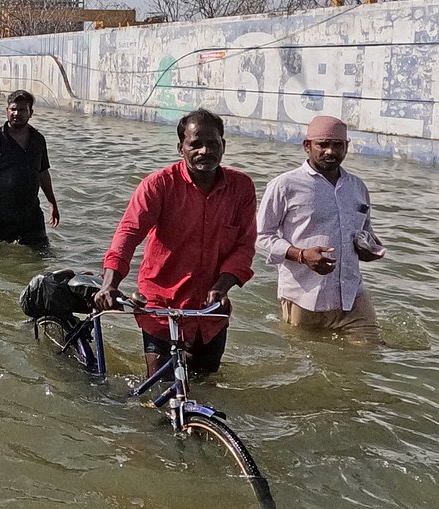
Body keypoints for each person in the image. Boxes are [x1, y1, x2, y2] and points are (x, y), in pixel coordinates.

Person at [93, 109, 256, 376]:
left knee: (207, 387)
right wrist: (110, 285)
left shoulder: (242, 187)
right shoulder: (158, 185)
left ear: (223, 146)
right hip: (162, 308)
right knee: (162, 390)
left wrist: (222, 286)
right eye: (195, 144)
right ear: (181, 148)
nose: (205, 150)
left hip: (211, 313)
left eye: (212, 143)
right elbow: (128, 234)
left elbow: (245, 245)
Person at [256, 115, 386, 344]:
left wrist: (370, 248)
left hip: (352, 296)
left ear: (347, 147)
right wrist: (301, 255)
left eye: (338, 145)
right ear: (307, 146)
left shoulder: (357, 187)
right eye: (323, 144)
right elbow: (259, 236)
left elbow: (365, 230)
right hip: (304, 296)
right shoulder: (285, 185)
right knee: (306, 365)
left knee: (370, 355)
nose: (330, 151)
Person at [0, 90, 59, 250]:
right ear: (7, 111)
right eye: (13, 109)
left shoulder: (38, 140)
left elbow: (43, 173)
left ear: (31, 113)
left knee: (42, 256)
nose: (17, 113)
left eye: (22, 110)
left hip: (31, 215)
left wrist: (52, 203)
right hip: (0, 215)